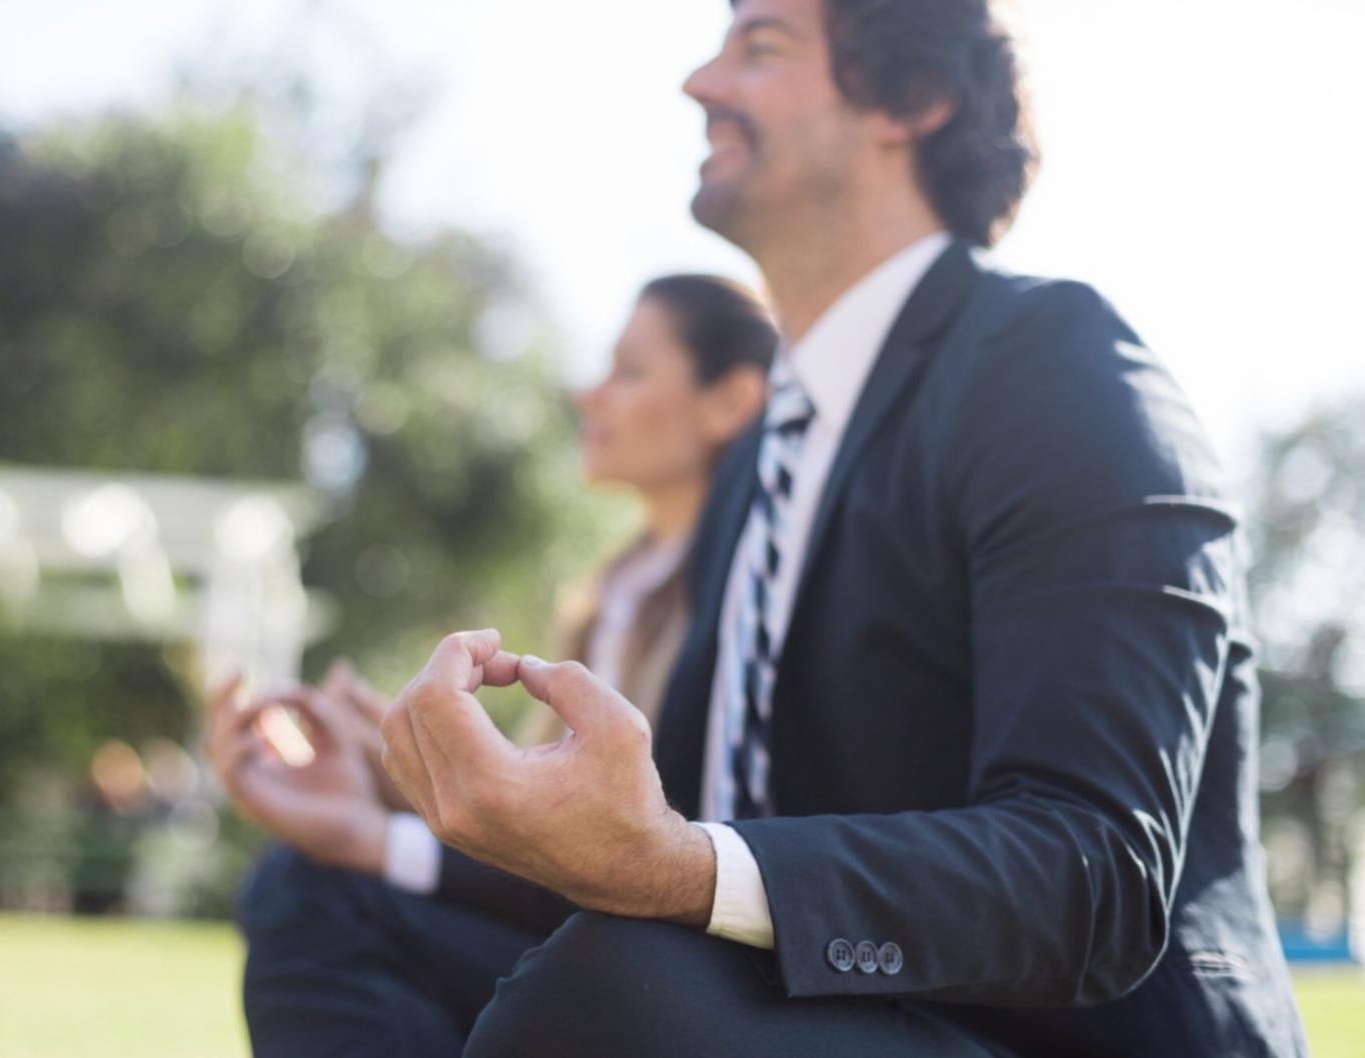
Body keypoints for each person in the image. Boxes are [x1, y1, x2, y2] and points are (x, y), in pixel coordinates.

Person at [376, 1, 1311, 1056]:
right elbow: (669, 832)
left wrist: (675, 863)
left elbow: (1092, 869)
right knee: (332, 903)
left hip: (1045, 1038)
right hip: (802, 1013)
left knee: (623, 981)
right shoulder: (761, 462)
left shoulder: (1064, 373)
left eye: (760, 46)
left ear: (913, 100)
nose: (701, 84)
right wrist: (399, 823)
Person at [207, 275, 774, 1057]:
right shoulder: (609, 593)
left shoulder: (752, 599)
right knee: (299, 881)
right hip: (574, 942)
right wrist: (399, 774)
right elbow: (544, 846)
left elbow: (628, 852)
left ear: (731, 401)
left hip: (663, 973)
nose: (589, 395)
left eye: (629, 372)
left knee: (311, 895)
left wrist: (378, 835)